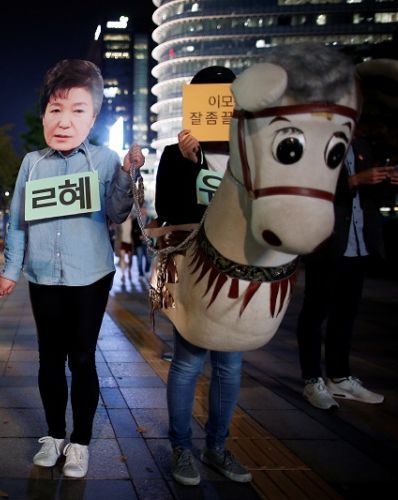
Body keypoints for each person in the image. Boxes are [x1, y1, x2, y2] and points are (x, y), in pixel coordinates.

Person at [0, 59, 144, 478]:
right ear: (43, 114)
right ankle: (54, 434)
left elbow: (116, 212)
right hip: (43, 276)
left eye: (78, 110)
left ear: (93, 118)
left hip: (91, 276)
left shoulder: (104, 159)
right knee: (47, 359)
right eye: (55, 110)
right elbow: (18, 220)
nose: (64, 121)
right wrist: (10, 270)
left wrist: (128, 176)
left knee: (82, 358)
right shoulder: (31, 164)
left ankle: (80, 441)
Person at [155, 66, 252, 486]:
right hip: (195, 272)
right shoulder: (176, 154)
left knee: (230, 365)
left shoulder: (249, 151)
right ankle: (182, 447)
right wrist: (192, 164)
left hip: (240, 276)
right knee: (189, 361)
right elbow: (168, 211)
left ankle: (216, 446)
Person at [296, 132, 396, 409]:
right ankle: (312, 379)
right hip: (327, 243)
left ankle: (339, 378)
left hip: (359, 242)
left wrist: (387, 183)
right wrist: (354, 180)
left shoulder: (363, 143)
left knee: (346, 314)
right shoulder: (316, 142)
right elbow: (308, 190)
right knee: (315, 314)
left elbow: (372, 196)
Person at [117, 218, 134, 283]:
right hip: (122, 242)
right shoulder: (120, 221)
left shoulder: (133, 221)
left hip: (130, 242)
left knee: (130, 259)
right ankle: (123, 274)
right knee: (122, 258)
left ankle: (129, 270)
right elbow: (117, 233)